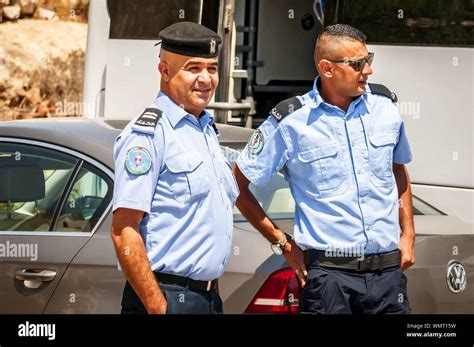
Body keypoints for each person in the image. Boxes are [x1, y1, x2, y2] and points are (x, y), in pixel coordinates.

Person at [233, 24, 415, 314]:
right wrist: (283, 245)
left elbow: (398, 170)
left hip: (387, 276)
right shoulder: (290, 120)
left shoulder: (385, 107)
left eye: (369, 60)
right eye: (358, 64)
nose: (367, 71)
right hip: (329, 278)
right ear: (327, 68)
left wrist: (408, 235)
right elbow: (237, 186)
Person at [110, 21, 239, 314]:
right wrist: (158, 307)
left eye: (212, 68)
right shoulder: (148, 134)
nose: (206, 79)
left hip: (207, 299)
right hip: (166, 296)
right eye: (194, 68)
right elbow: (123, 229)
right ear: (165, 71)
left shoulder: (204, 129)